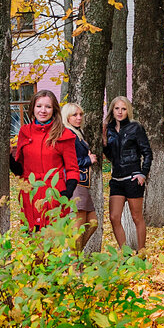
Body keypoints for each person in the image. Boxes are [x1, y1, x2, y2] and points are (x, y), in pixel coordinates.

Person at [11, 90, 79, 229]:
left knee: (53, 240)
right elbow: (20, 168)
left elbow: (72, 168)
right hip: (31, 193)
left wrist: (68, 192)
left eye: (48, 107)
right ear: (32, 108)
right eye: (39, 106)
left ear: (54, 110)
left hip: (54, 193)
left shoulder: (63, 134)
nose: (43, 110)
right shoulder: (25, 131)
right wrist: (8, 158)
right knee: (33, 238)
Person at [103, 96, 152, 251]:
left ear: (128, 111)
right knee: (114, 217)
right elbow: (110, 155)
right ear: (112, 109)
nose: (120, 112)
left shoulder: (135, 127)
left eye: (123, 109)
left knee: (136, 217)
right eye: (117, 108)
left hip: (133, 178)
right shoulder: (108, 129)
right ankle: (125, 254)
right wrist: (104, 141)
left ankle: (141, 252)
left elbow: (147, 152)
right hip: (116, 179)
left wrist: (143, 174)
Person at [61, 102, 97, 250]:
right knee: (78, 227)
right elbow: (68, 160)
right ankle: (73, 264)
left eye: (80, 114)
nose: (79, 117)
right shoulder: (68, 134)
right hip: (76, 184)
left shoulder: (77, 133)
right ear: (67, 117)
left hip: (83, 184)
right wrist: (89, 160)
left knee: (93, 223)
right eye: (74, 115)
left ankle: (75, 256)